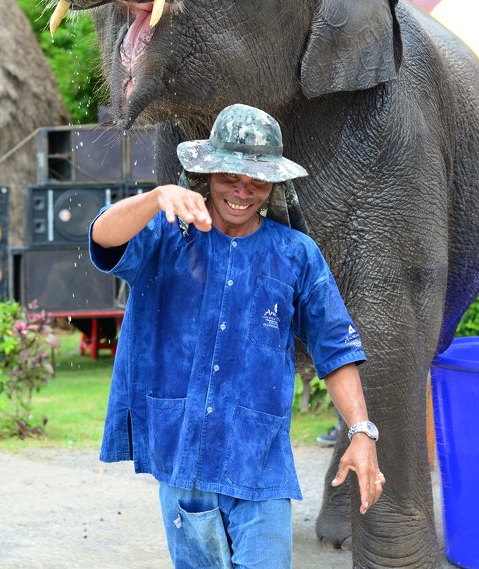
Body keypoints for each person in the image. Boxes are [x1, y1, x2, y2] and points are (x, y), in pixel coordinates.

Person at [89, 103, 385, 569]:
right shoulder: (167, 234)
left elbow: (335, 346)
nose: (242, 192)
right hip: (184, 452)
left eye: (257, 182)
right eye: (230, 177)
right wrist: (154, 198)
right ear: (208, 172)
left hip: (259, 459)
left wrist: (362, 432)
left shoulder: (295, 253)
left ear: (273, 185)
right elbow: (103, 238)